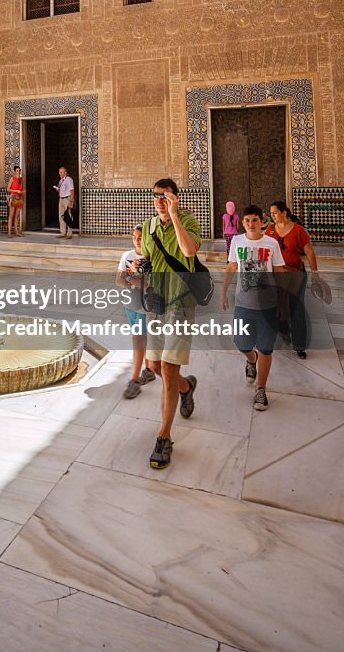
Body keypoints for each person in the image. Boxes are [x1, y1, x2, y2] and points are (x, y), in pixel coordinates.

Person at [141, 179, 201, 470]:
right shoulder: (148, 227)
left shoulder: (188, 221)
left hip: (181, 303)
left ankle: (164, 437)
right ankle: (186, 388)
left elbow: (189, 252)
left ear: (175, 197)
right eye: (155, 196)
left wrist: (175, 216)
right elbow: (149, 260)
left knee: (167, 367)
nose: (159, 201)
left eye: (164, 196)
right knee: (154, 367)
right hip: (157, 304)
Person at [221, 205, 287, 411]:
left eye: (255, 220)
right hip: (244, 303)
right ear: (243, 223)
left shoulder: (271, 243)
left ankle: (261, 390)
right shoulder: (237, 241)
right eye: (247, 220)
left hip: (268, 304)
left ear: (262, 222)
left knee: (266, 348)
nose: (251, 224)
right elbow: (232, 265)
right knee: (241, 342)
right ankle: (251, 359)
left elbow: (279, 270)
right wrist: (223, 290)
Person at [266, 201, 320, 359]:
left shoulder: (298, 230)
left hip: (295, 273)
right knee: (277, 305)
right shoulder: (270, 230)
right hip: (277, 274)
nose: (273, 216)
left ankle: (299, 345)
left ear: (284, 212)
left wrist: (315, 273)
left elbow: (309, 252)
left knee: (297, 307)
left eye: (275, 212)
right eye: (271, 213)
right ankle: (283, 331)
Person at [116, 225, 156, 399]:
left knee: (139, 339)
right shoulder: (127, 256)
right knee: (141, 336)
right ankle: (148, 370)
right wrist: (133, 280)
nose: (137, 240)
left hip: (145, 304)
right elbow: (118, 279)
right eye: (134, 237)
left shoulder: (150, 257)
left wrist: (130, 278)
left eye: (140, 237)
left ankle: (134, 380)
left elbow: (146, 284)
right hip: (130, 304)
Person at [54, 166, 75, 238]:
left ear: (65, 172)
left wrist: (71, 201)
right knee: (61, 216)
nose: (60, 173)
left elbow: (72, 191)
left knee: (68, 215)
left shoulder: (69, 179)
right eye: (59, 172)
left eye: (61, 172)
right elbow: (61, 190)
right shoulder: (61, 180)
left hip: (67, 199)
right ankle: (63, 232)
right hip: (61, 199)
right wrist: (58, 189)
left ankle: (69, 233)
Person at [7, 165, 24, 237]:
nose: (18, 172)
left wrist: (22, 191)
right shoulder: (12, 178)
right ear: (14, 171)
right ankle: (9, 232)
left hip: (19, 198)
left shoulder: (21, 179)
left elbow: (21, 188)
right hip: (13, 198)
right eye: (17, 171)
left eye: (19, 170)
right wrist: (16, 190)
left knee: (17, 216)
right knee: (11, 216)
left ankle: (16, 232)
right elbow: (8, 189)